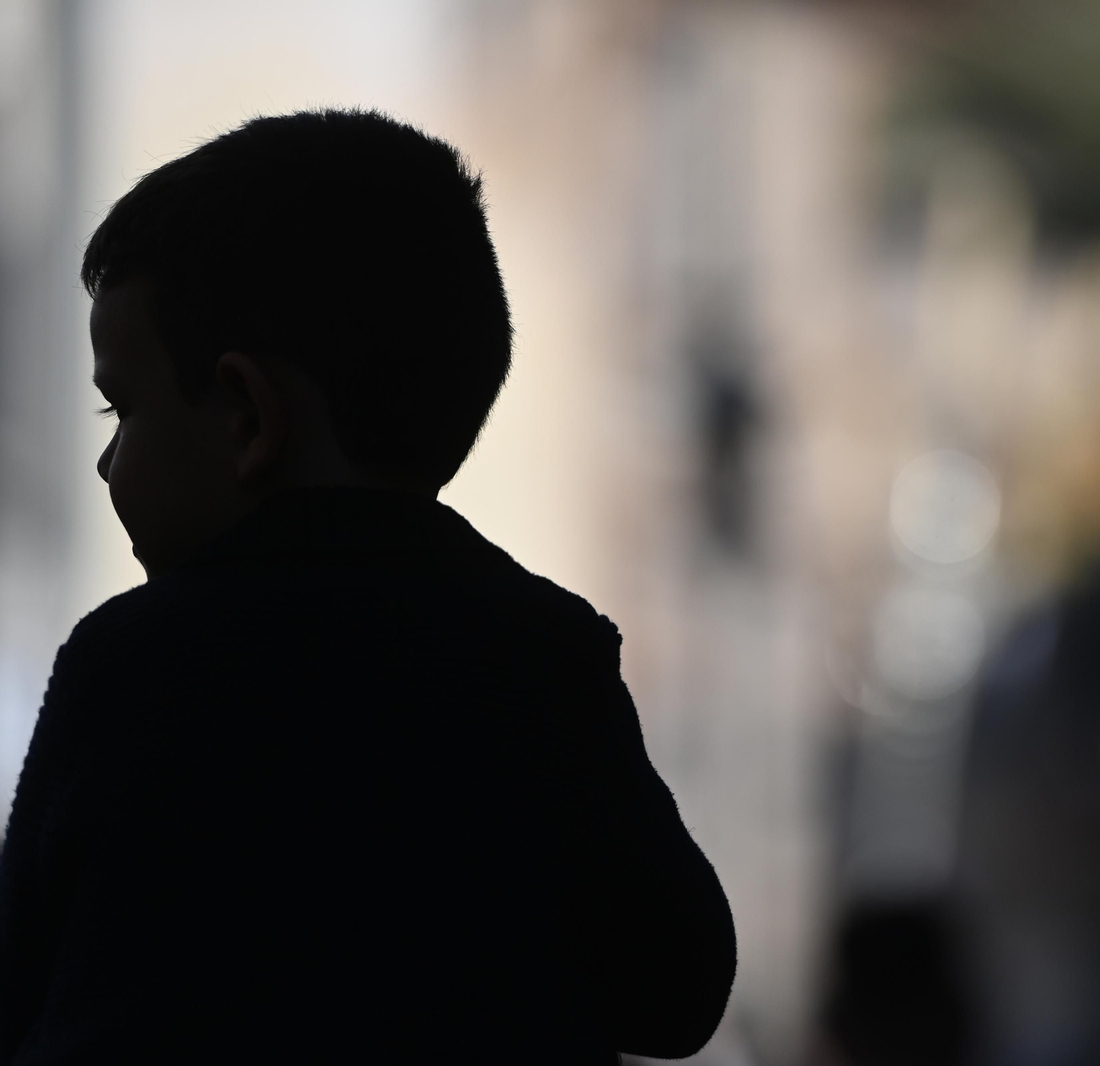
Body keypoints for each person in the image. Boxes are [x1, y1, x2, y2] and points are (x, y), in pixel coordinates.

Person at [0, 109, 736, 1064]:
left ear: (246, 417)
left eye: (124, 408)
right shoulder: (539, 657)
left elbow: (19, 989)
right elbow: (678, 992)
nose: (107, 463)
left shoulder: (135, 668)